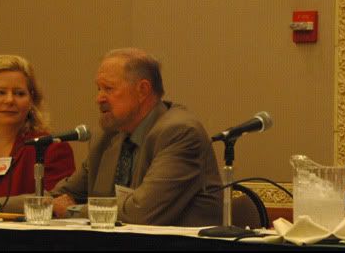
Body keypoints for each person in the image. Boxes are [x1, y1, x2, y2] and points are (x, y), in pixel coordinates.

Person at [49, 48, 223, 226]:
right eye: (98, 88)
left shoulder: (180, 133)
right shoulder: (107, 137)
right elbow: (58, 197)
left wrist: (72, 211)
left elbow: (140, 213)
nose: (99, 98)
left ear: (142, 90)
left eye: (108, 88)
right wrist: (36, 204)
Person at [0, 55, 75, 211]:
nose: (10, 100)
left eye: (19, 94)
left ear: (31, 100)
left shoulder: (51, 148)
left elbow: (57, 205)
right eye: (0, 92)